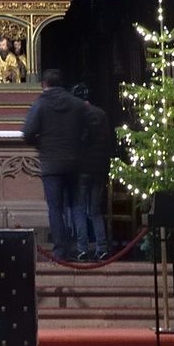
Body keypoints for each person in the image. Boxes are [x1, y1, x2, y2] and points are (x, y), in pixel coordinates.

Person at [20, 68, 89, 262]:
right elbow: (89, 127)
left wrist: (42, 146)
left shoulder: (40, 105)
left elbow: (27, 133)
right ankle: (81, 249)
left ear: (44, 85)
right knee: (77, 206)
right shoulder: (77, 104)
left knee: (56, 209)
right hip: (75, 162)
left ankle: (60, 252)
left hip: (51, 164)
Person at [72, 84, 112, 261]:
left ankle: (82, 249)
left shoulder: (76, 117)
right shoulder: (102, 114)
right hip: (99, 169)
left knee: (79, 209)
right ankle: (101, 248)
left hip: (81, 169)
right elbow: (108, 142)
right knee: (94, 211)